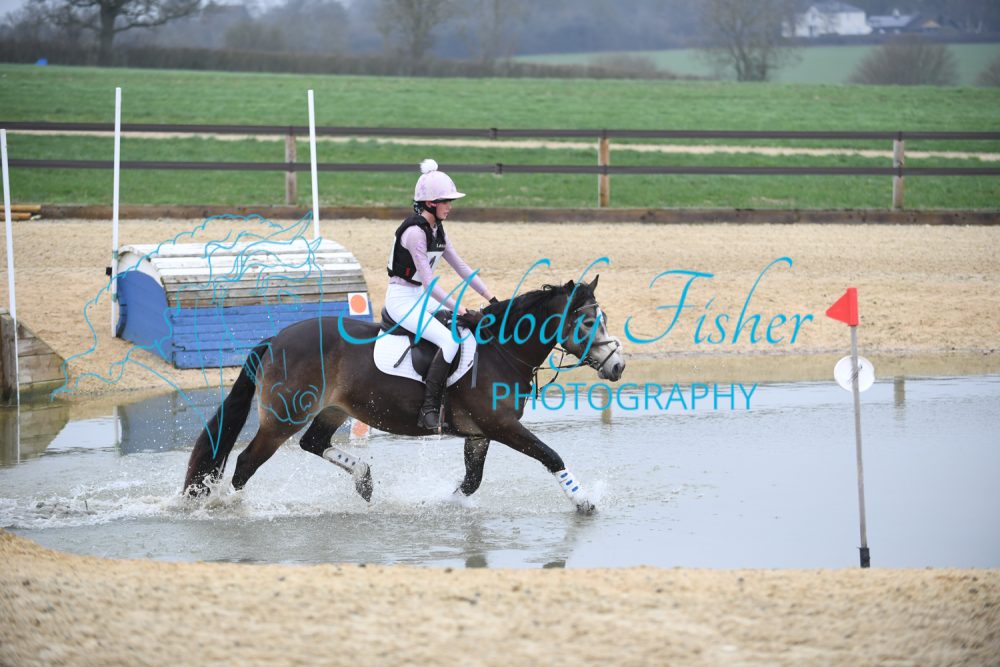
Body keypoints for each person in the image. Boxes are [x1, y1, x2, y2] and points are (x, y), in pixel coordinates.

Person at [386, 159, 498, 431]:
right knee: (449, 341)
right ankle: (428, 408)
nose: (450, 206)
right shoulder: (415, 233)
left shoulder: (437, 230)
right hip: (401, 300)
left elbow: (462, 268)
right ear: (430, 203)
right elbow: (429, 283)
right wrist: (460, 308)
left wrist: (493, 299)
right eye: (446, 201)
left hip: (419, 297)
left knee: (465, 331)